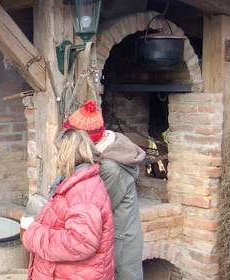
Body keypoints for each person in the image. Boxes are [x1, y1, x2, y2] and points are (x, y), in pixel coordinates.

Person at [63, 99, 145, 280]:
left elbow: (96, 210)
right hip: (113, 235)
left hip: (120, 241)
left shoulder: (112, 168)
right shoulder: (104, 153)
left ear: (84, 141)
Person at [20, 129, 114, 280]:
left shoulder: (84, 193)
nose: (55, 157)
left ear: (66, 155)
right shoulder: (75, 182)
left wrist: (32, 233)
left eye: (57, 152)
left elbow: (81, 242)